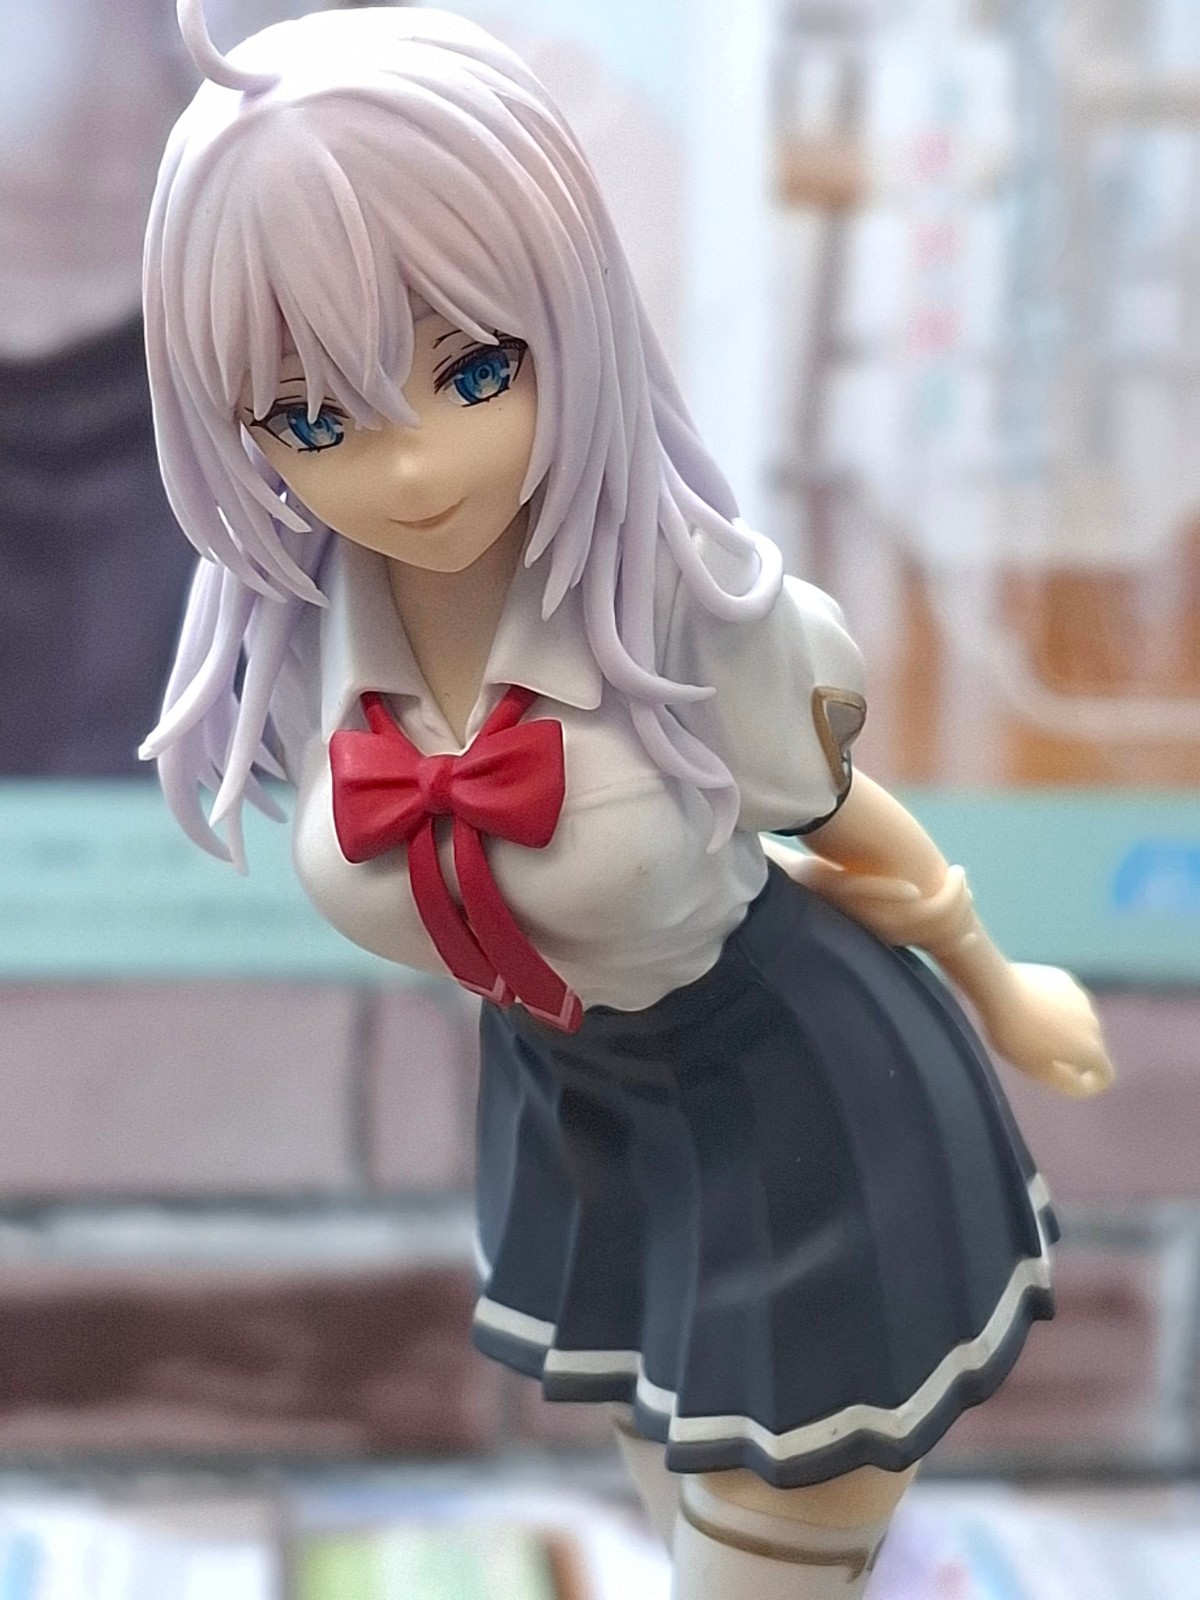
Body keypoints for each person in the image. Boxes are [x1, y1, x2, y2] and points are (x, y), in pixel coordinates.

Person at [141, 6, 1114, 1596]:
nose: (409, 469)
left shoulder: (686, 607)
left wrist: (1000, 989)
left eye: (473, 370)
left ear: (569, 315)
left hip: (793, 1094)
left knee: (761, 1559)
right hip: (573, 1111)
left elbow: (836, 814)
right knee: (677, 1523)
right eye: (313, 418)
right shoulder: (305, 635)